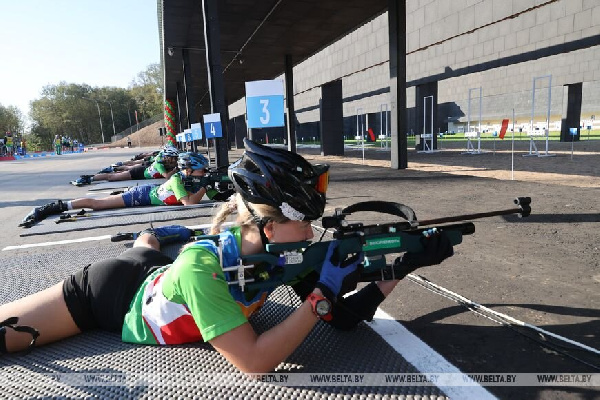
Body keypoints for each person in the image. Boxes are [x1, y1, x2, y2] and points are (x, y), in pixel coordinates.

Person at [4, 139, 454, 374]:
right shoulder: (203, 271)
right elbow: (255, 362)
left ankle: (152, 237)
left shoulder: (287, 252)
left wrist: (398, 269)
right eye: (306, 223)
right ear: (269, 226)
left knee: (151, 245)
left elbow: (342, 320)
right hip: (108, 295)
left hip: (159, 271)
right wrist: (319, 295)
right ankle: (150, 236)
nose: (313, 232)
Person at [21, 152, 216, 226]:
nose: (205, 172)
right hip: (140, 196)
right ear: (188, 170)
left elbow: (207, 195)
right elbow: (189, 203)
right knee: (96, 204)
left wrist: (211, 187)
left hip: (147, 193)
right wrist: (205, 186)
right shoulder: (176, 180)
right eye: (202, 170)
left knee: (99, 203)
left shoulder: (186, 178)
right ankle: (48, 208)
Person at [70, 146, 179, 186]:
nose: (175, 161)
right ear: (168, 157)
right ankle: (89, 178)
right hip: (138, 173)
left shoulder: (165, 161)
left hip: (143, 171)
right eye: (174, 158)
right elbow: (167, 176)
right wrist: (176, 169)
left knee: (116, 174)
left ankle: (114, 169)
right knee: (112, 177)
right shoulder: (160, 164)